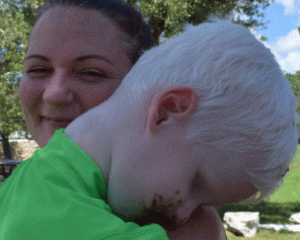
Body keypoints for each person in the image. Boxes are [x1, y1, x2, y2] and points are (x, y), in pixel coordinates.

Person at [0, 18, 298, 239]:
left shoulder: (37, 183)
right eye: (196, 183)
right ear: (167, 111)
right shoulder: (55, 216)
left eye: (204, 205)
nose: (185, 216)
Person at [14, 0, 226, 239]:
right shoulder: (15, 194)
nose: (54, 93)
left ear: (149, 93)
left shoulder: (186, 228)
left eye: (92, 73)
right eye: (38, 69)